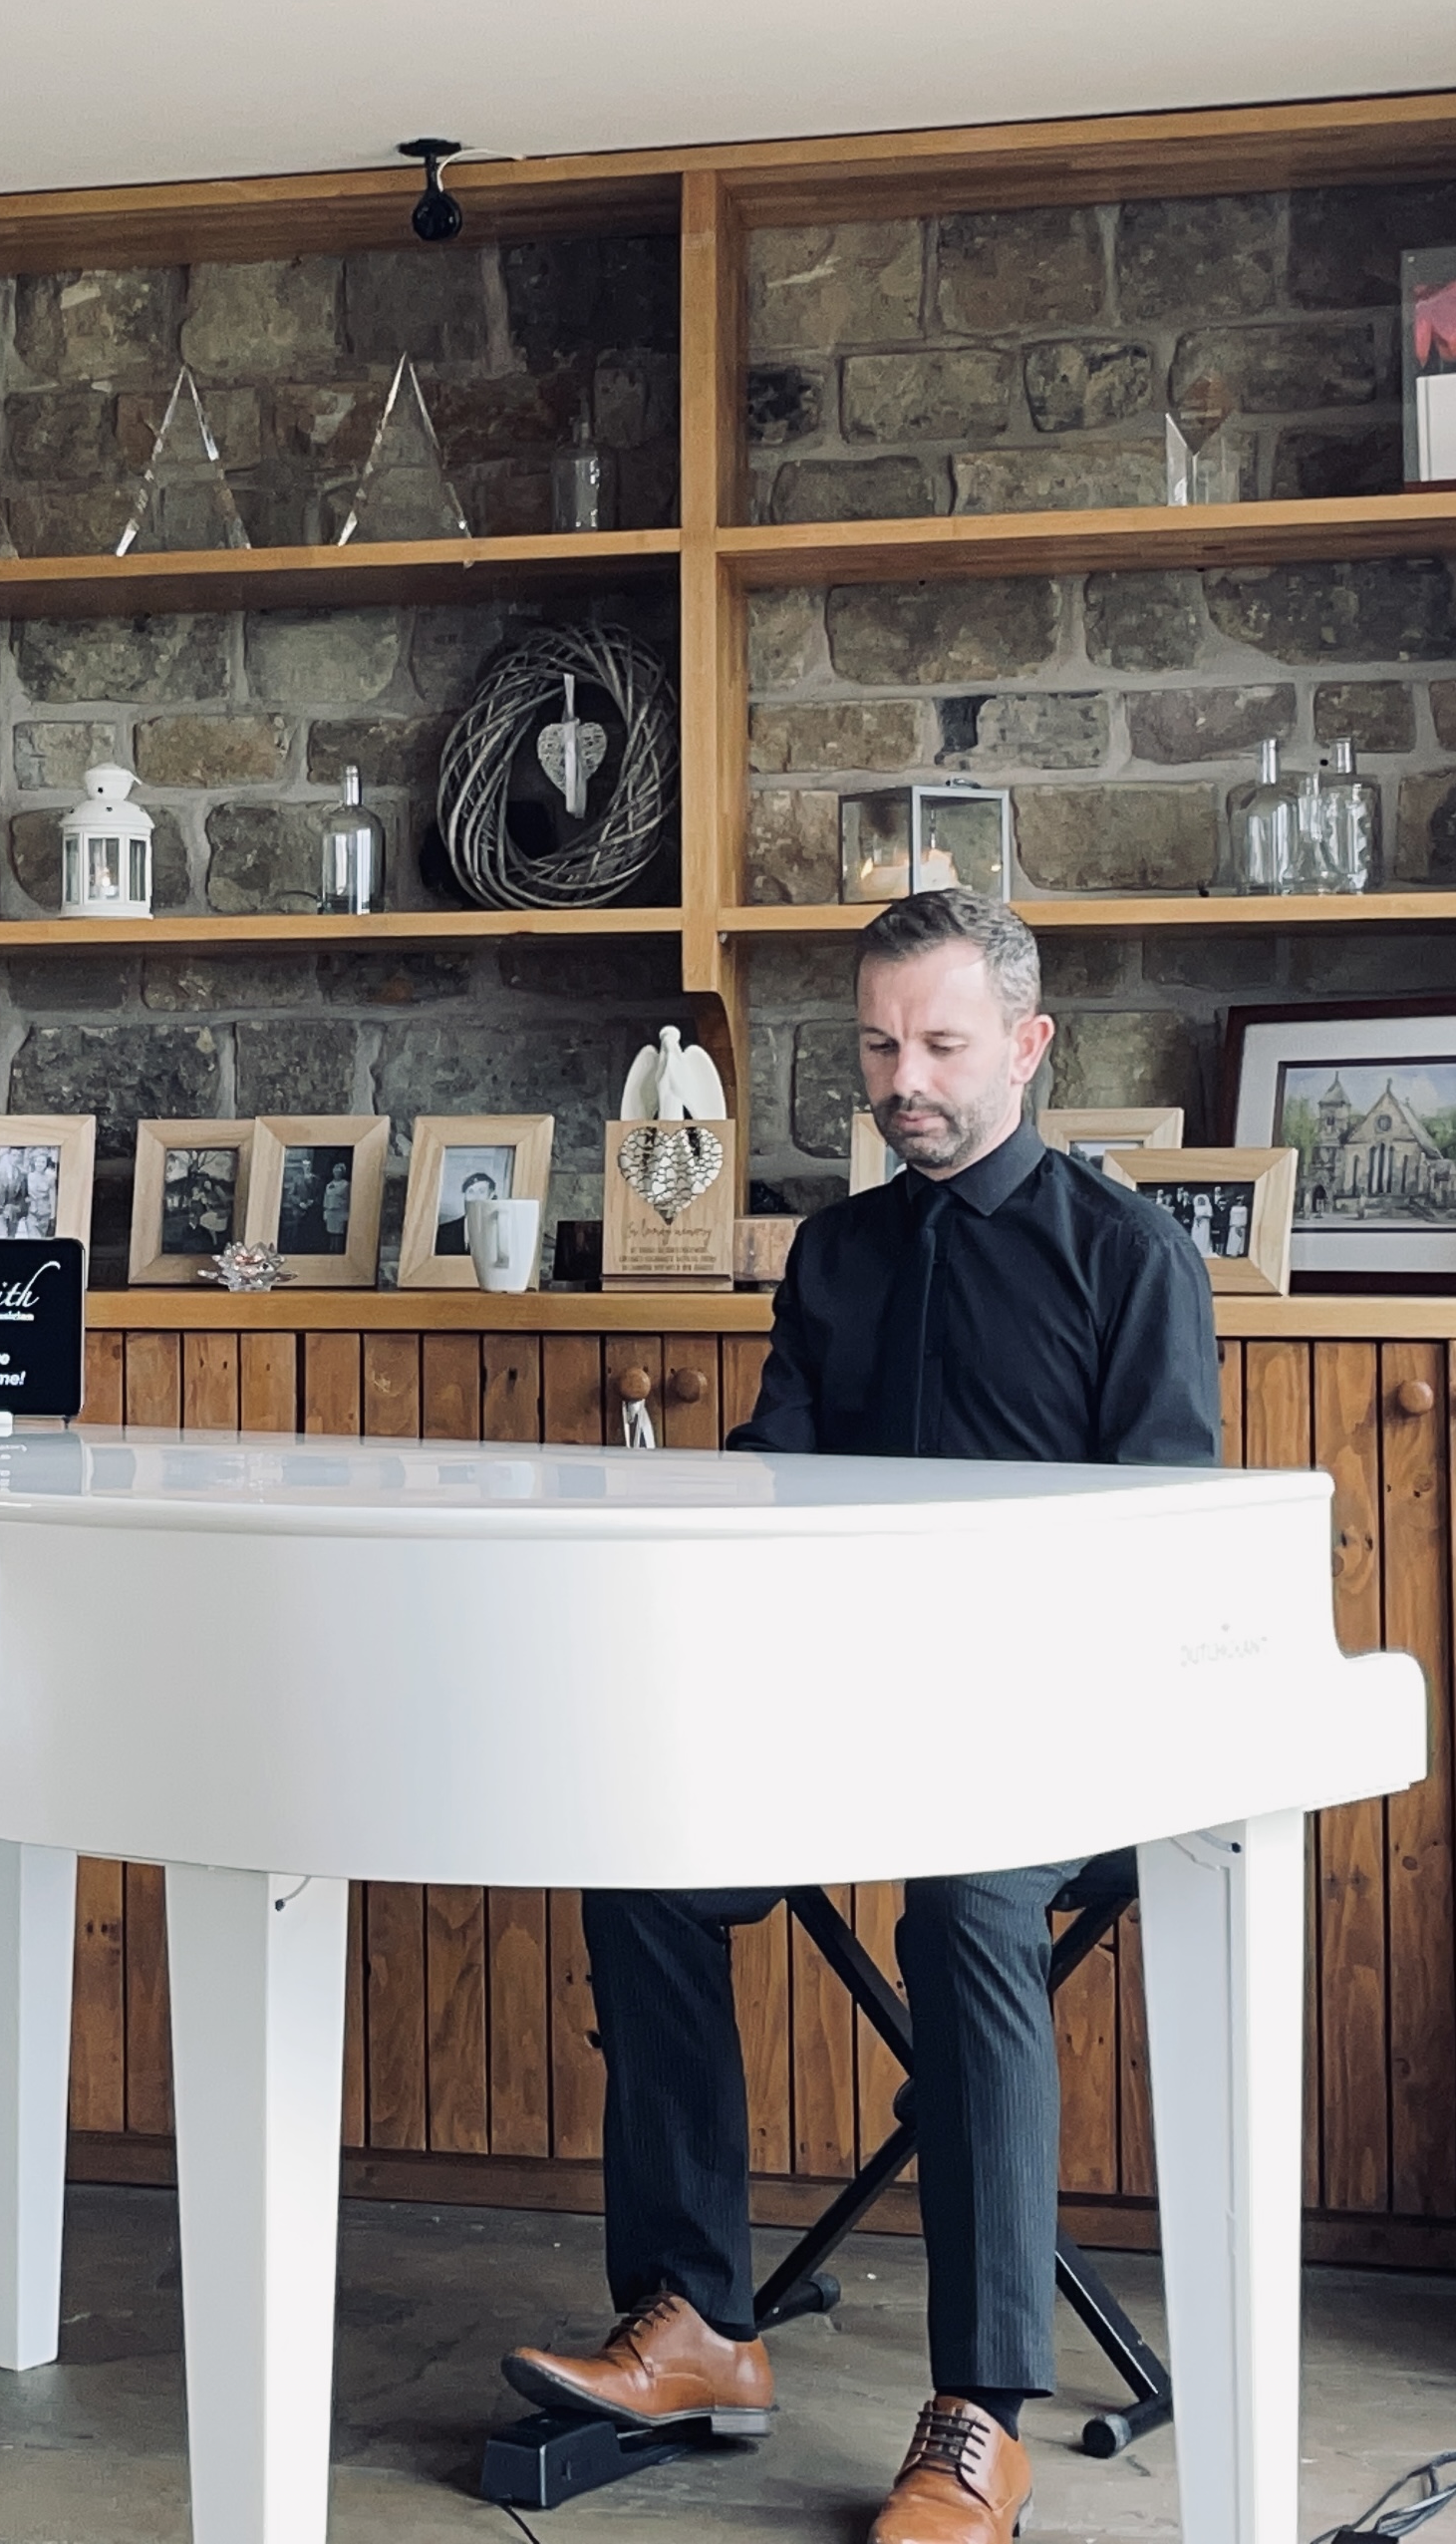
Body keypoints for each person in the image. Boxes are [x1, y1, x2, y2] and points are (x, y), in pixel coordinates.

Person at [501, 889, 1220, 2544]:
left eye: (941, 1044)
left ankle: (977, 2411)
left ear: (1027, 1047)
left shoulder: (1127, 1257)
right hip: (832, 1721)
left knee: (969, 1896)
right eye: (881, 1044)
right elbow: (777, 1492)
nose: (904, 1078)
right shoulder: (831, 1251)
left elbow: (1162, 1564)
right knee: (640, 1856)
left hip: (1056, 1740)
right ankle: (693, 2323)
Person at [437, 1166, 498, 1256]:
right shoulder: (444, 1232)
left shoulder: (500, 1232)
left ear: (491, 1195)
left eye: (481, 1192)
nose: (475, 1197)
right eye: (471, 1191)